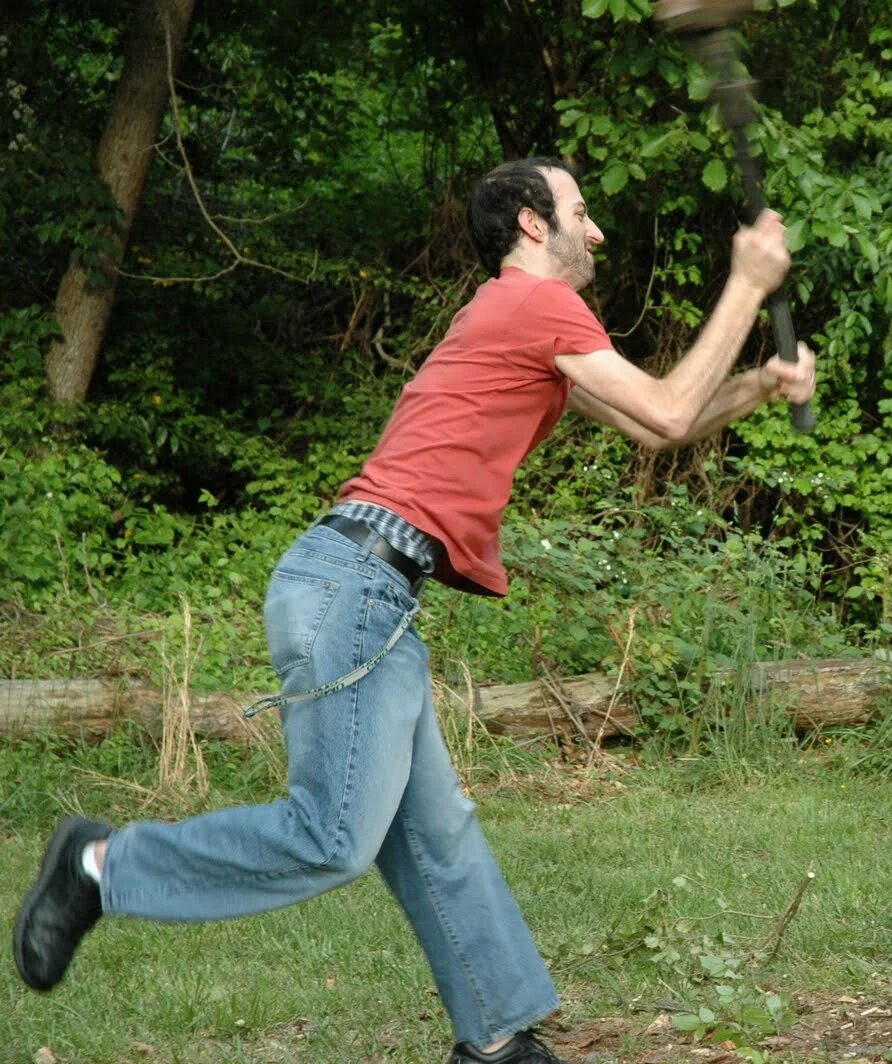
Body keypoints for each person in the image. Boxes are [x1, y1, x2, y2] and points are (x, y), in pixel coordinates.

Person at [12, 156, 816, 1064]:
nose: (595, 233)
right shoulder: (533, 304)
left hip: (370, 590)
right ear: (529, 225)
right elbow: (669, 413)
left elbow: (648, 423)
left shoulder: (515, 323)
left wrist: (755, 387)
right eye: (580, 214)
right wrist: (749, 283)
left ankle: (498, 1039)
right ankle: (100, 868)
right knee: (332, 837)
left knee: (436, 837)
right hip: (352, 584)